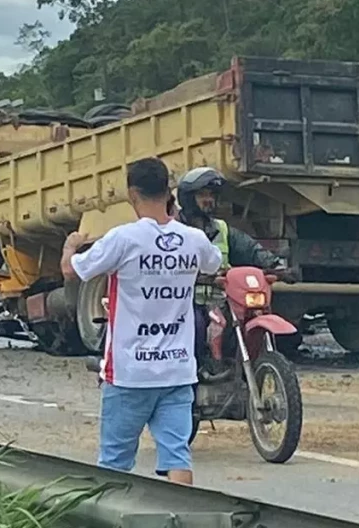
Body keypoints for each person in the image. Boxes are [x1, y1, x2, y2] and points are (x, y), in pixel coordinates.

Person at [61, 157, 222, 486]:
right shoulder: (192, 239)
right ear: (169, 191)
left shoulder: (124, 238)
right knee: (177, 455)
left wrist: (70, 246)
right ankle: (181, 519)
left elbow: (72, 270)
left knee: (114, 461)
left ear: (132, 194)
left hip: (129, 372)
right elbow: (213, 262)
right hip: (177, 368)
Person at [174, 167, 292, 358]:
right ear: (188, 198)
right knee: (195, 327)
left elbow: (251, 249)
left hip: (223, 301)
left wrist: (278, 267)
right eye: (202, 194)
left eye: (212, 195)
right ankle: (192, 378)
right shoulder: (174, 231)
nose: (209, 200)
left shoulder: (221, 228)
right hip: (186, 302)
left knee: (246, 319)